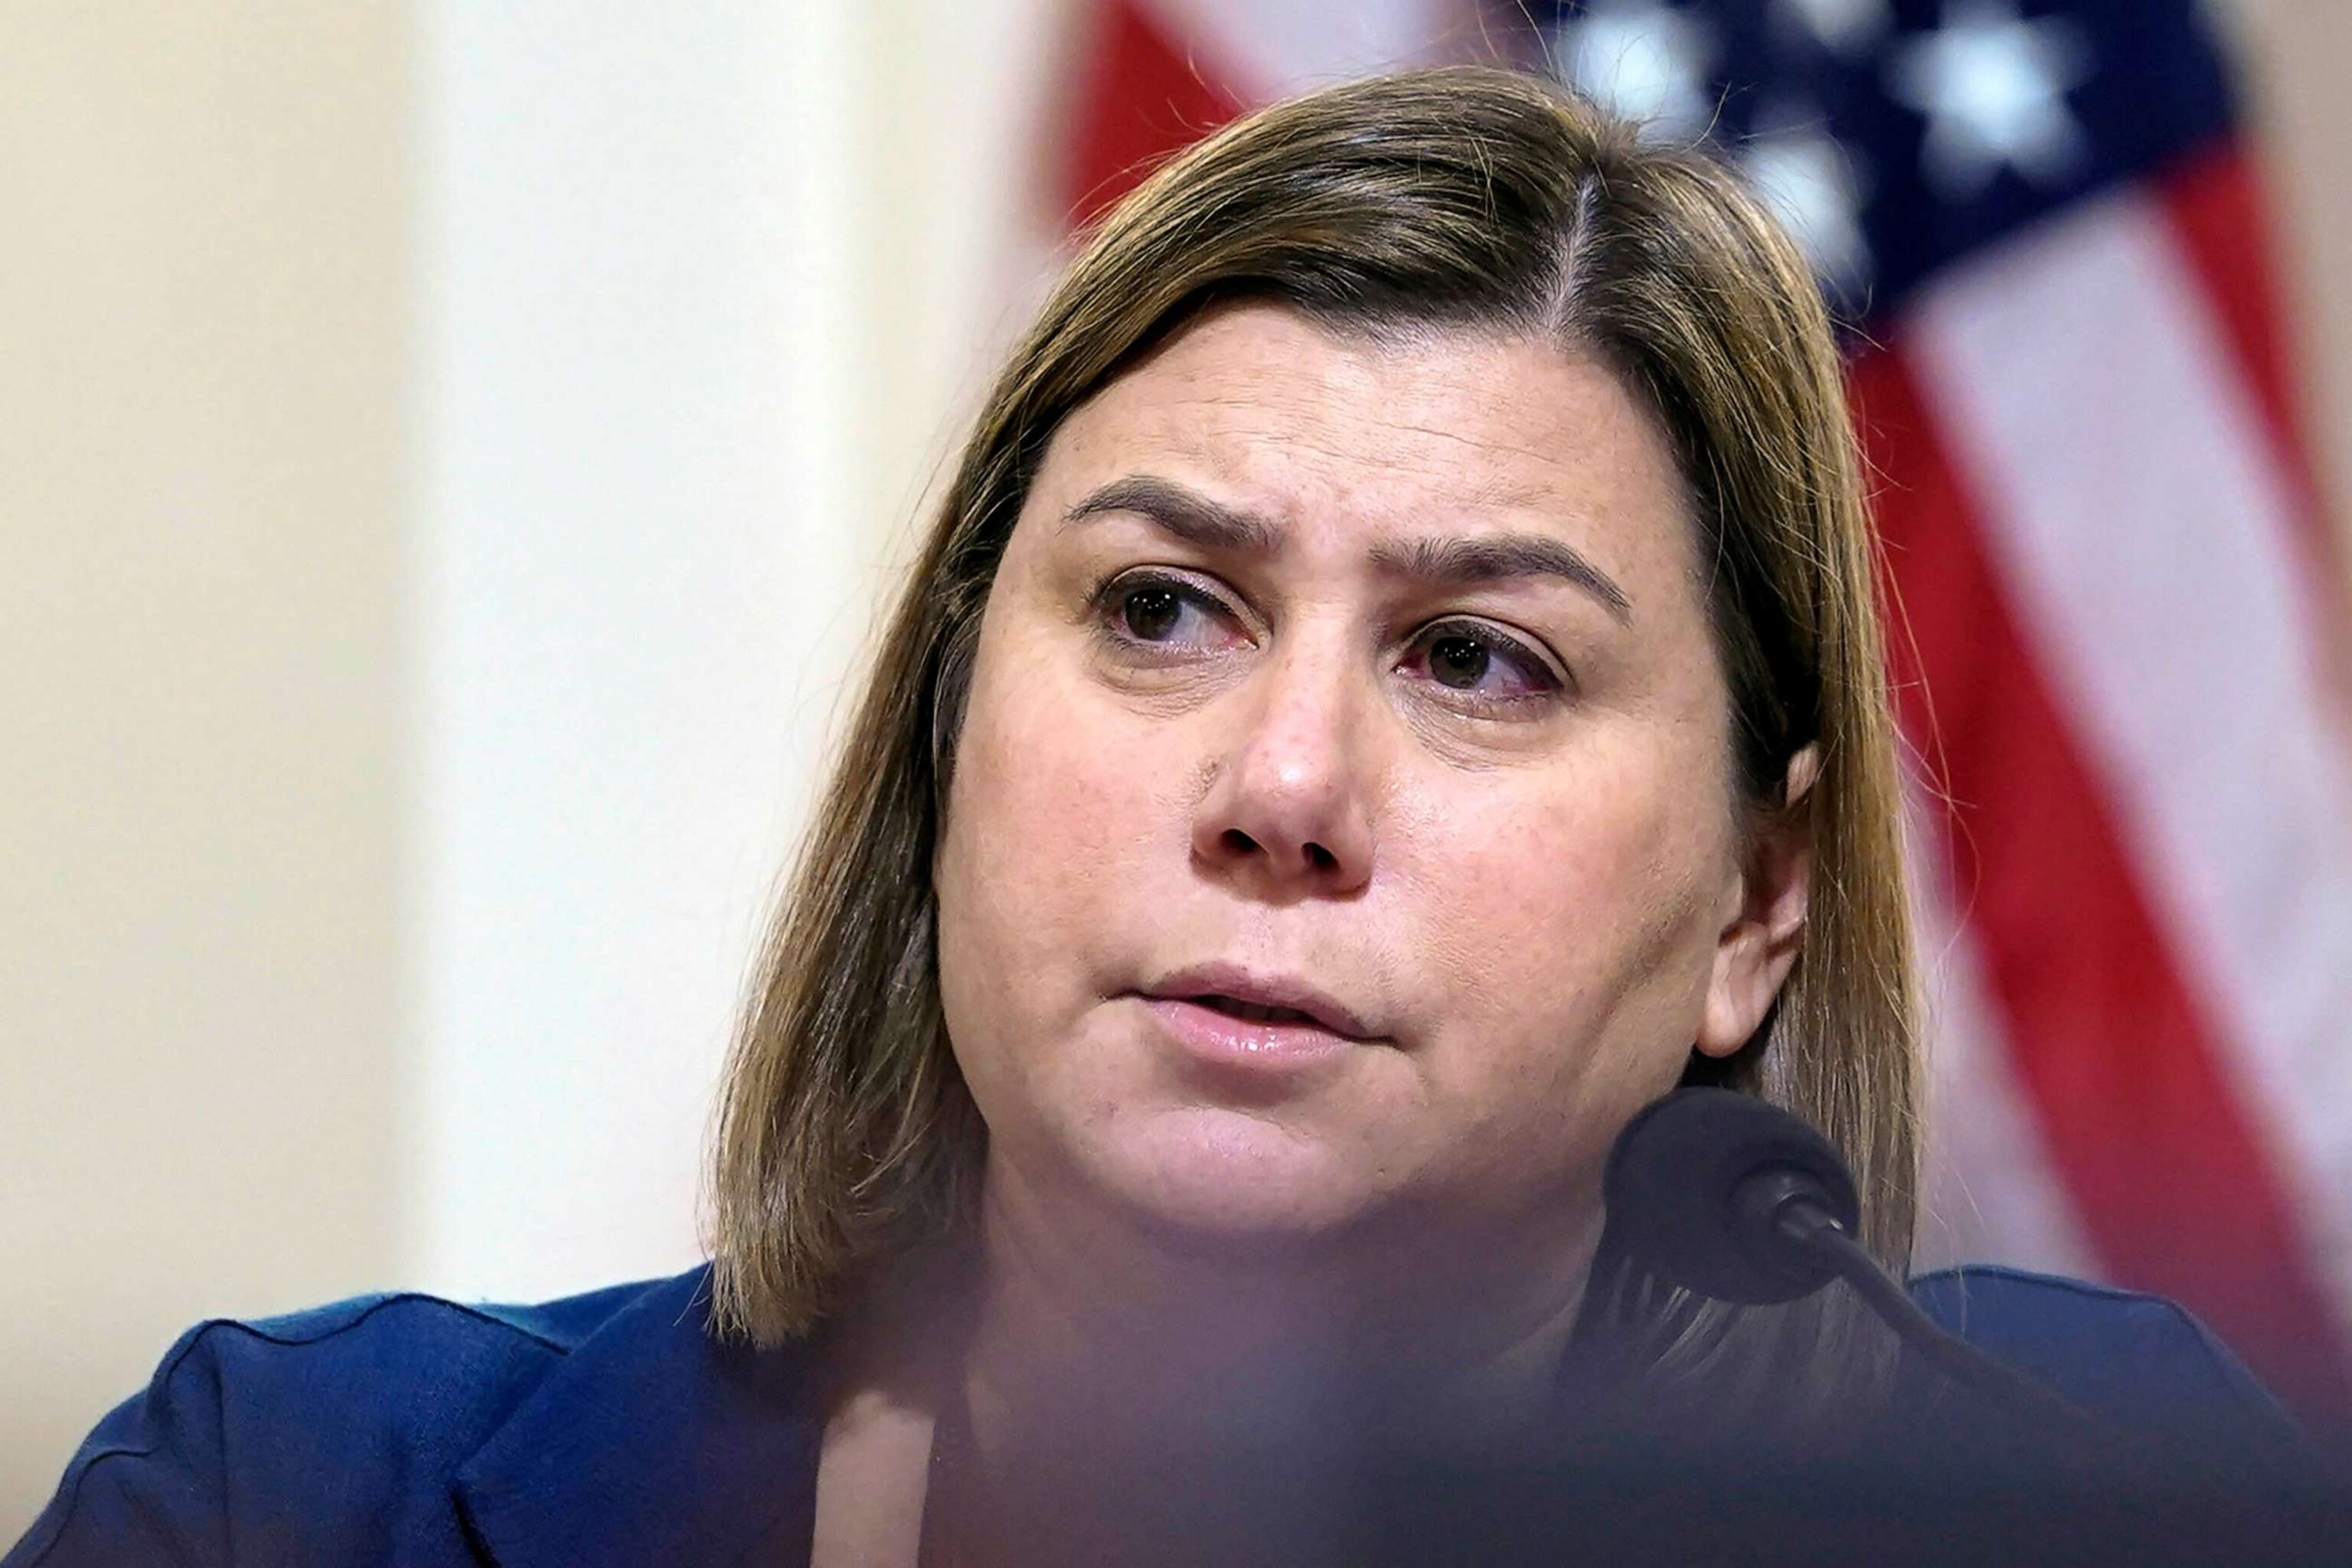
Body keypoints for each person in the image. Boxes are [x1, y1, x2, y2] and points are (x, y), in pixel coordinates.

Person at [8, 66, 2305, 1568]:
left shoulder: (2118, 1505)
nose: (1283, 789)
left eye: (1477, 659)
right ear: (944, 740)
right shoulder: (296, 1513)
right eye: (1163, 609)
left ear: (1756, 903)